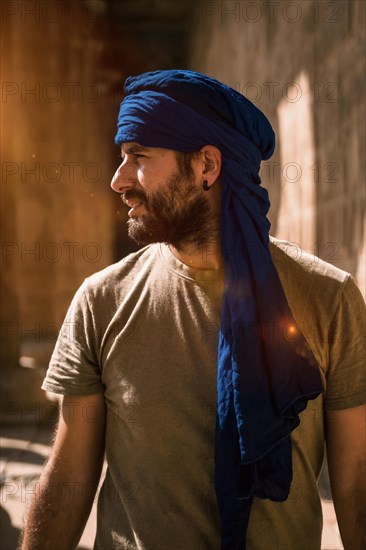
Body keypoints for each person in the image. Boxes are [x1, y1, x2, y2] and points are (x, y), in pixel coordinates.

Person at [20, 70, 365, 550]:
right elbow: (67, 476)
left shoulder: (329, 299)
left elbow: (355, 483)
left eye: (139, 156)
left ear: (207, 165)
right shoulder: (102, 300)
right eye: (122, 157)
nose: (118, 180)